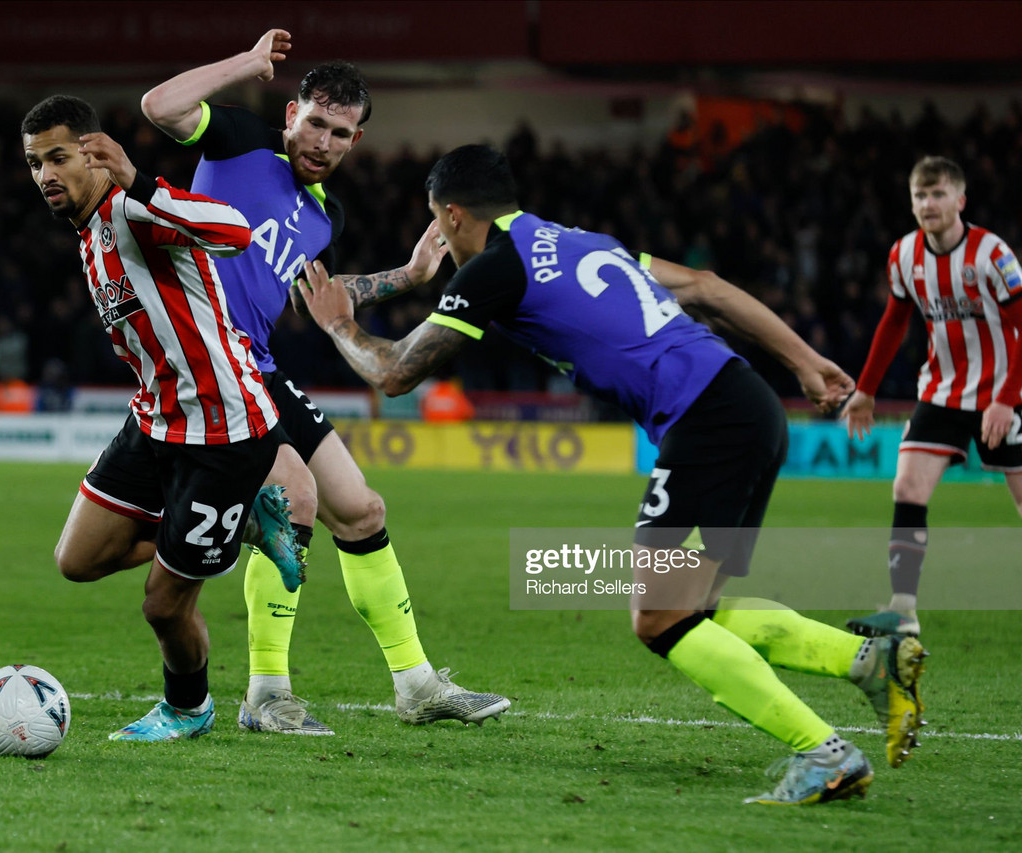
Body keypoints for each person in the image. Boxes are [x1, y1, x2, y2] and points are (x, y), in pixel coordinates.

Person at [297, 144, 930, 805]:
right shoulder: (579, 239)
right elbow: (708, 288)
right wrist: (803, 361)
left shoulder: (496, 270)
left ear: (451, 215)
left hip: (707, 421)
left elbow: (395, 371)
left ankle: (825, 753)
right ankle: (867, 660)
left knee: (658, 617)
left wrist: (341, 324)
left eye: (435, 220)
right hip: (749, 404)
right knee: (697, 604)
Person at [140, 29, 510, 734]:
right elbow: (160, 104)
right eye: (314, 122)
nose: (324, 141)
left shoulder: (322, 216)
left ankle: (417, 684)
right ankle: (265, 692)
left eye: (341, 132)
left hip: (261, 368)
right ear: (290, 117)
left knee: (363, 510)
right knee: (295, 497)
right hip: (205, 363)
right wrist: (247, 66)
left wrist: (410, 275)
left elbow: (324, 291)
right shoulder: (239, 143)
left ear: (356, 141)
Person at [21, 94, 299, 741]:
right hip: (154, 420)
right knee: (77, 558)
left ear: (93, 151)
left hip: (223, 432)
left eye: (58, 158)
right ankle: (241, 529)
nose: (45, 176)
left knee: (163, 602)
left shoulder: (133, 208)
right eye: (35, 163)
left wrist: (140, 179)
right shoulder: (88, 232)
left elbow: (234, 233)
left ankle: (188, 708)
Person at [843, 156, 1022, 638]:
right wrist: (865, 390)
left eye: (939, 194)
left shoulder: (993, 255)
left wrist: (1006, 398)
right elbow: (894, 321)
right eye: (920, 196)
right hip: (941, 392)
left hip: (1004, 391)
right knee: (907, 488)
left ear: (960, 200)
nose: (929, 204)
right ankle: (903, 609)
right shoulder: (903, 254)